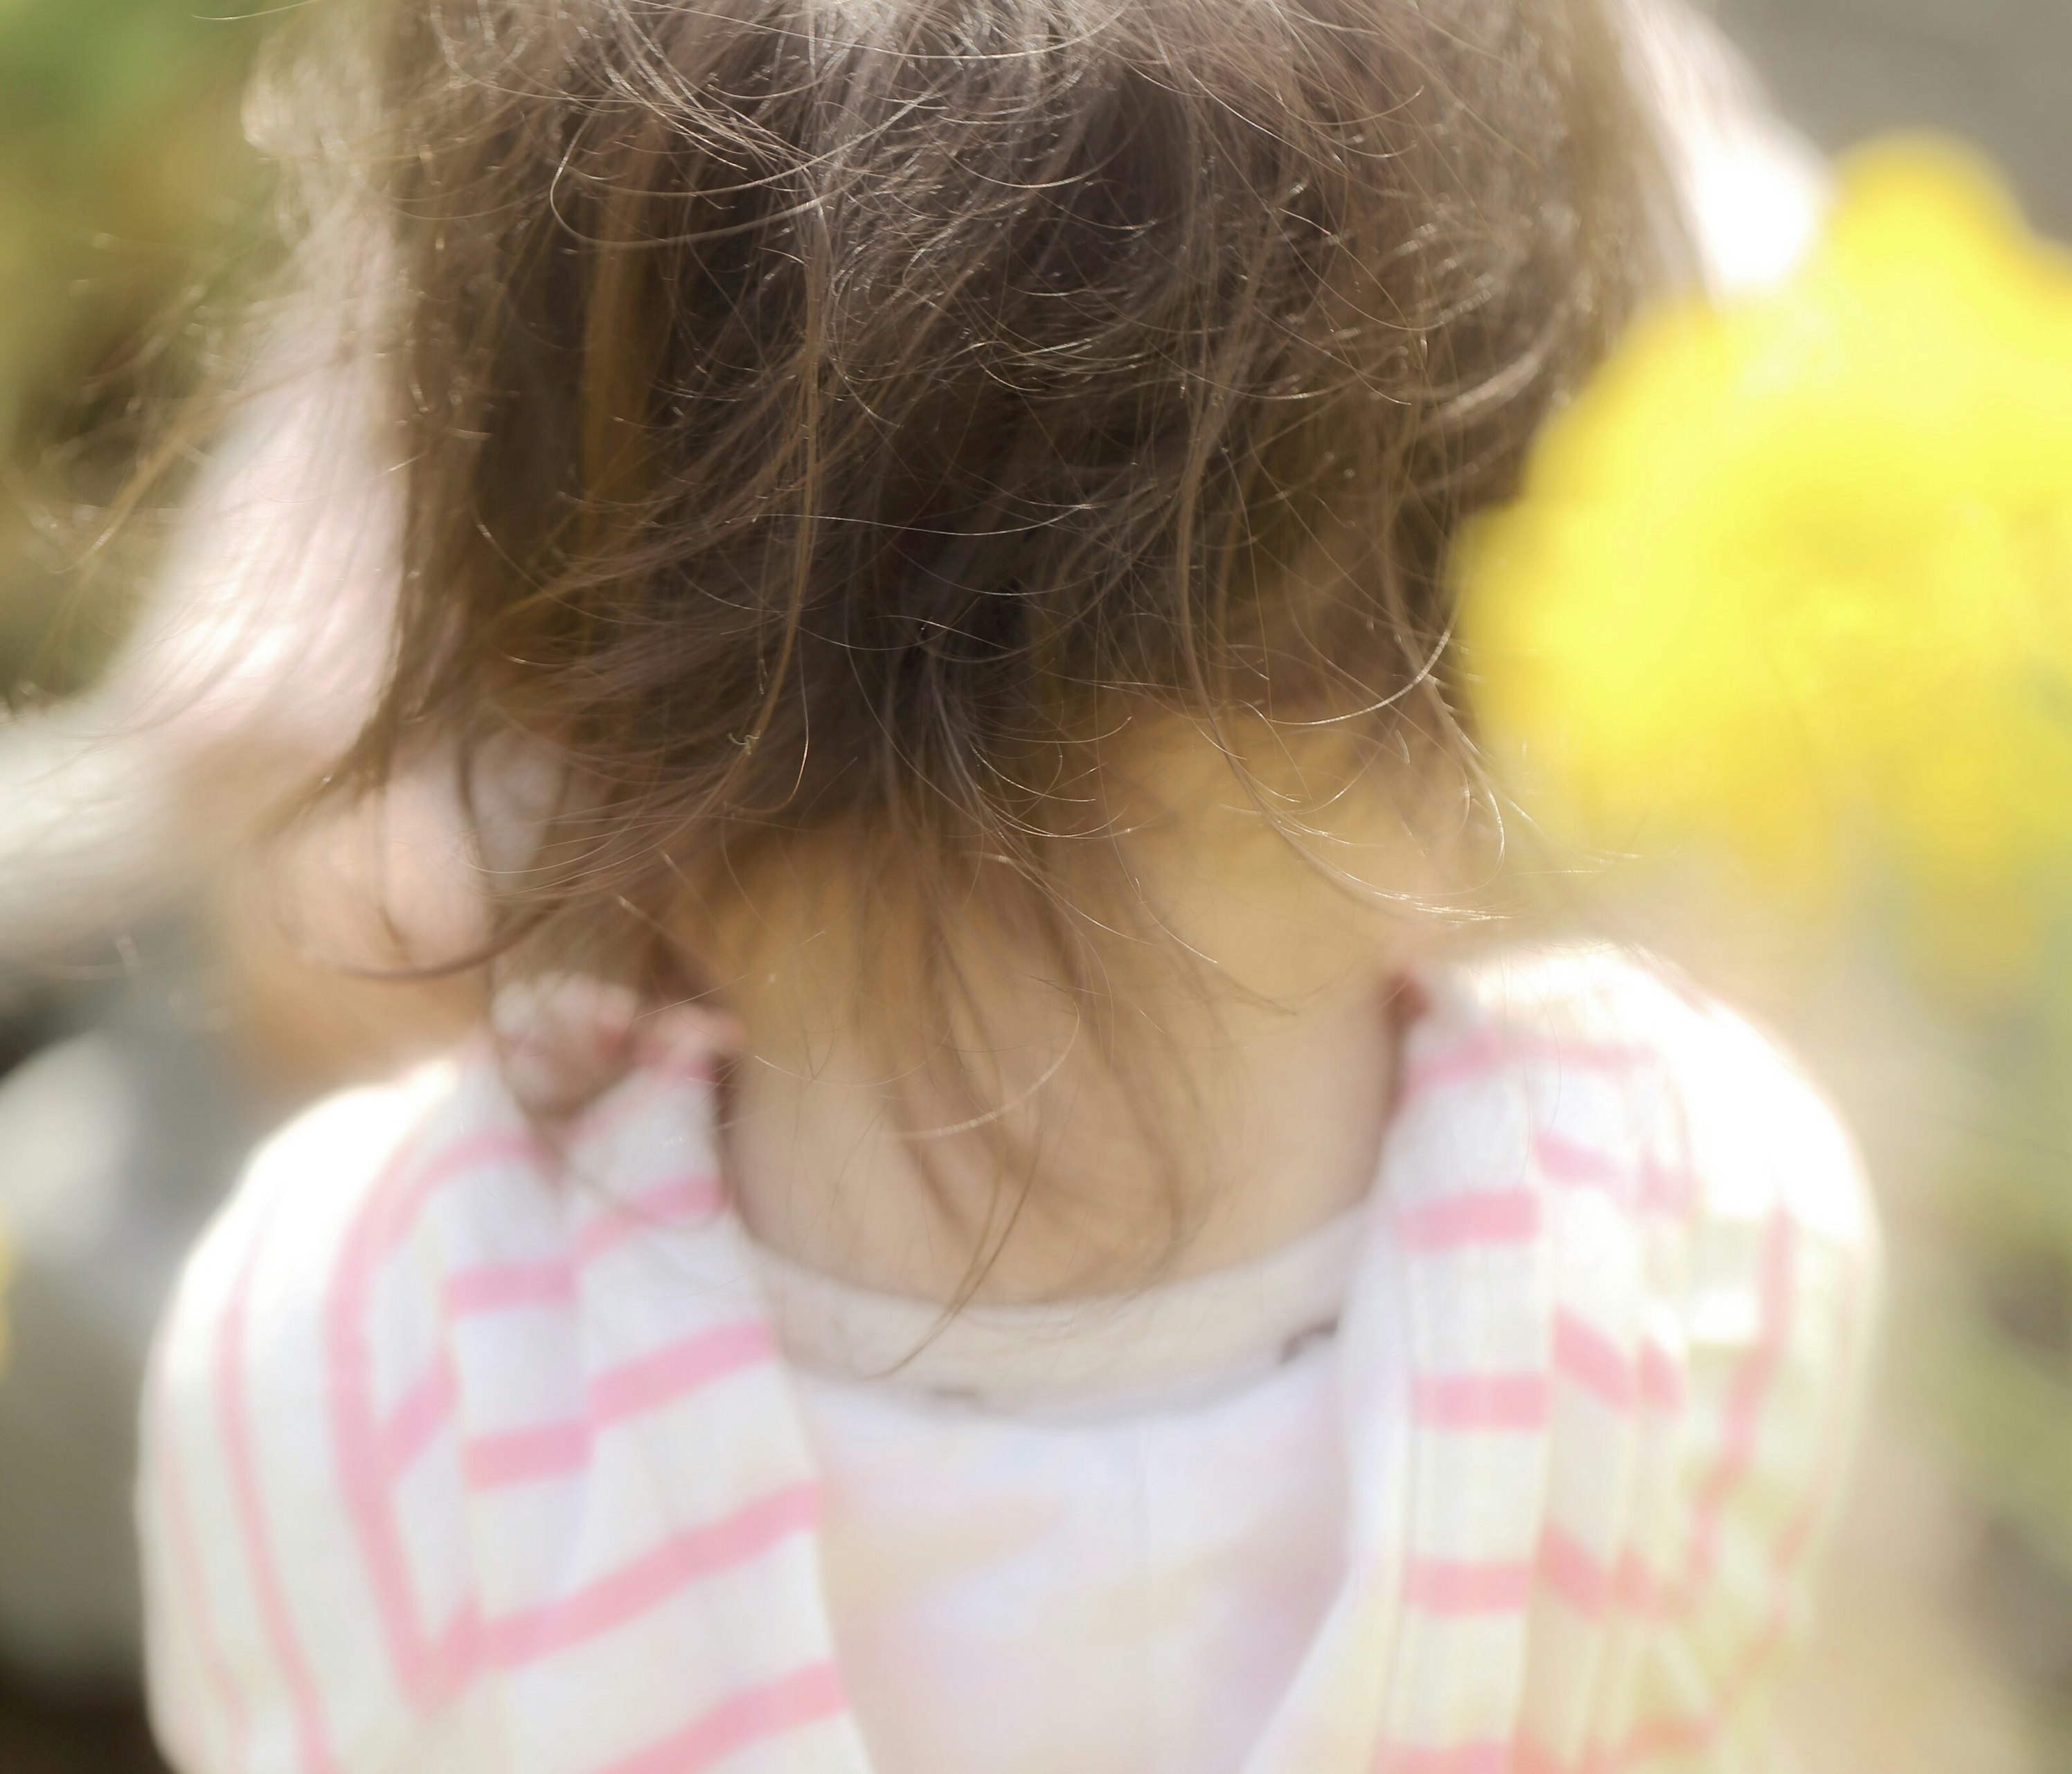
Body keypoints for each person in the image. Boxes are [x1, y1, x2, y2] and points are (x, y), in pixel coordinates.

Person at [134, 1, 1873, 1770]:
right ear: (1514, 593)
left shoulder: (358, 1339)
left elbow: (245, 737)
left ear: (540, 618)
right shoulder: (1699, 1217)